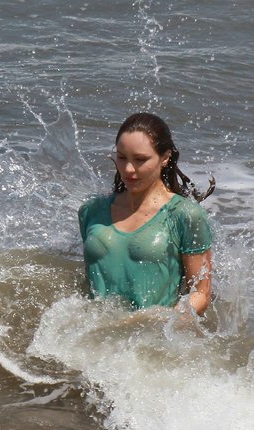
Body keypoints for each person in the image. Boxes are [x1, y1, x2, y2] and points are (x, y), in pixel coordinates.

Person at [78, 113, 215, 316]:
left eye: (140, 160)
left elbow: (201, 293)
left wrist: (164, 321)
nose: (128, 169)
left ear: (165, 158)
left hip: (152, 333)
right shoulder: (91, 210)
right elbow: (88, 283)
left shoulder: (185, 214)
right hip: (93, 333)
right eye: (122, 157)